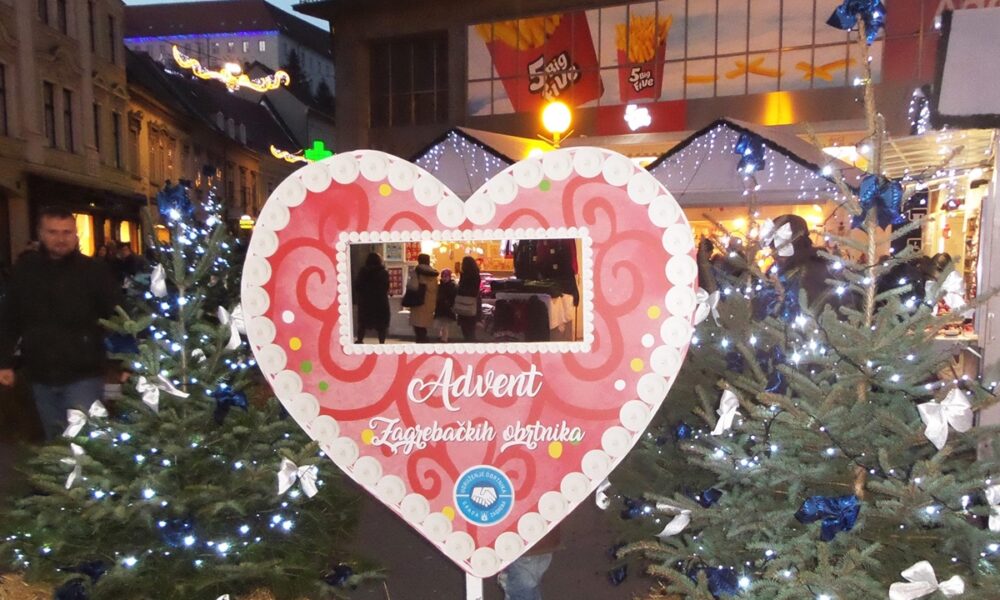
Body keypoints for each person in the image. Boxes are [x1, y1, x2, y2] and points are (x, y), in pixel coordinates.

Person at [0, 206, 121, 439]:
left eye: (66, 232)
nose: (61, 239)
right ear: (41, 234)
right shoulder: (25, 271)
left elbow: (117, 316)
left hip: (84, 372)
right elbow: (10, 318)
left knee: (84, 440)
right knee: (55, 442)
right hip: (40, 372)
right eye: (53, 232)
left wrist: (122, 363)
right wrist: (5, 362)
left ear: (75, 235)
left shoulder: (94, 271)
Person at [352, 252, 391, 344]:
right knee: (381, 325)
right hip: (380, 301)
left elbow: (357, 286)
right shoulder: (383, 272)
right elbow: (386, 287)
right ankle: (382, 342)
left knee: (362, 323)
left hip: (366, 302)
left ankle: (360, 340)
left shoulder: (363, 272)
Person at [409, 254, 438, 343]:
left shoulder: (417, 272)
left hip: (418, 301)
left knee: (418, 325)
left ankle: (422, 341)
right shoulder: (433, 273)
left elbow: (413, 286)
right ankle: (424, 339)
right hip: (430, 302)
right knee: (424, 324)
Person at [456, 255, 482, 342]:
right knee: (471, 327)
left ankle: (468, 341)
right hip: (472, 302)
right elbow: (475, 290)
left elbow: (461, 288)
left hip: (464, 302)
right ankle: (471, 341)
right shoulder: (476, 275)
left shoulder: (465, 275)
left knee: (465, 327)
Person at [433, 268, 457, 342]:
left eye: (446, 276)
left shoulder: (452, 286)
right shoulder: (440, 286)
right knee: (440, 324)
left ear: (449, 277)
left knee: (444, 325)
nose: (444, 278)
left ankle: (444, 339)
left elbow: (453, 298)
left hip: (447, 308)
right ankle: (442, 338)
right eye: (443, 276)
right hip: (441, 308)